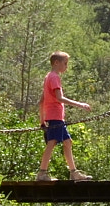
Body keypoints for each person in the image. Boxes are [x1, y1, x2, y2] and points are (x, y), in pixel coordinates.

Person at [36, 51, 93, 181]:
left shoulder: (48, 77)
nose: (66, 66)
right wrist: (81, 104)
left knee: (67, 142)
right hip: (55, 116)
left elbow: (41, 101)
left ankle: (74, 173)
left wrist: (42, 121)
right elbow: (59, 98)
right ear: (56, 63)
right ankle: (42, 173)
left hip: (54, 117)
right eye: (65, 63)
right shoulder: (54, 77)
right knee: (51, 143)